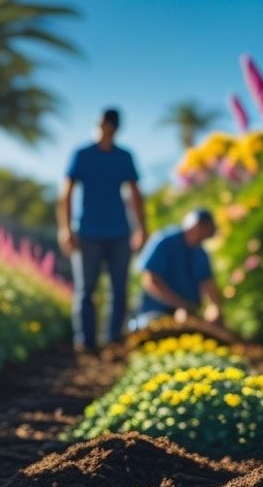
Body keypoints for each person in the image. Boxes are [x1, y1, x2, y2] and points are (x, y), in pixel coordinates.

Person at [58, 107, 147, 350]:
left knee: (119, 289)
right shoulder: (82, 155)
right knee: (86, 290)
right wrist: (66, 229)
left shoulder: (124, 157)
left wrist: (141, 228)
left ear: (115, 128)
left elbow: (135, 195)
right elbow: (66, 194)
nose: (104, 130)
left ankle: (113, 340)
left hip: (119, 233)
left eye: (108, 126)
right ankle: (85, 343)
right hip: (87, 232)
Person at [133, 208, 222, 328]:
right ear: (196, 227)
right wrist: (180, 305)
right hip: (156, 313)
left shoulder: (200, 252)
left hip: (189, 313)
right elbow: (150, 280)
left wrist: (214, 307)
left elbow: (207, 283)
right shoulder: (165, 241)